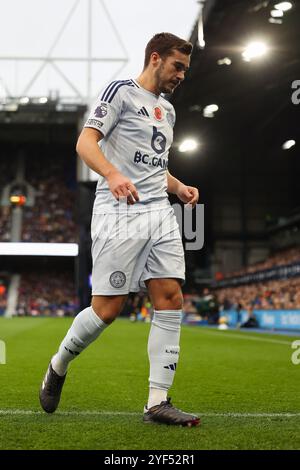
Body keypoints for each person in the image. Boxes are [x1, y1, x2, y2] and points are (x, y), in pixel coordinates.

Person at [39, 32, 200, 427]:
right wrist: (111, 174)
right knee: (107, 310)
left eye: (185, 69)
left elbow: (154, 167)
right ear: (155, 58)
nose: (181, 75)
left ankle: (157, 401)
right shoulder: (121, 93)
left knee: (170, 295)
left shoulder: (169, 111)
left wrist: (177, 186)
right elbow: (85, 142)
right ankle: (59, 364)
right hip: (118, 212)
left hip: (159, 212)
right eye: (177, 66)